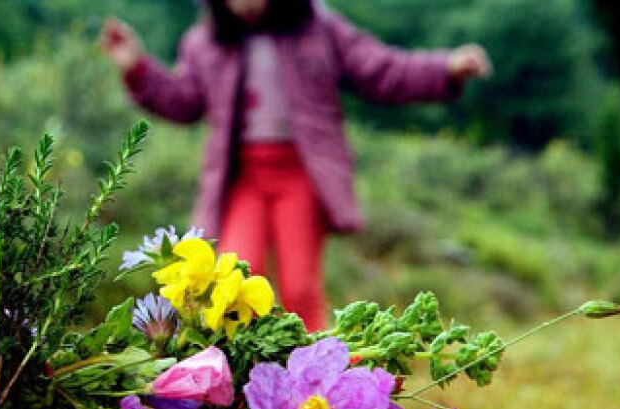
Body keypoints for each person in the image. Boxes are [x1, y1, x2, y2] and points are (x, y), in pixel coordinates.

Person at [101, 0, 491, 330]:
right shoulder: (205, 43)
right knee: (233, 279)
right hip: (241, 178)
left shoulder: (319, 27)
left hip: (301, 174)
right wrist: (138, 69)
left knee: (300, 287)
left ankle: (311, 384)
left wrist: (446, 68)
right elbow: (183, 101)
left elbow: (380, 69)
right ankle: (239, 389)